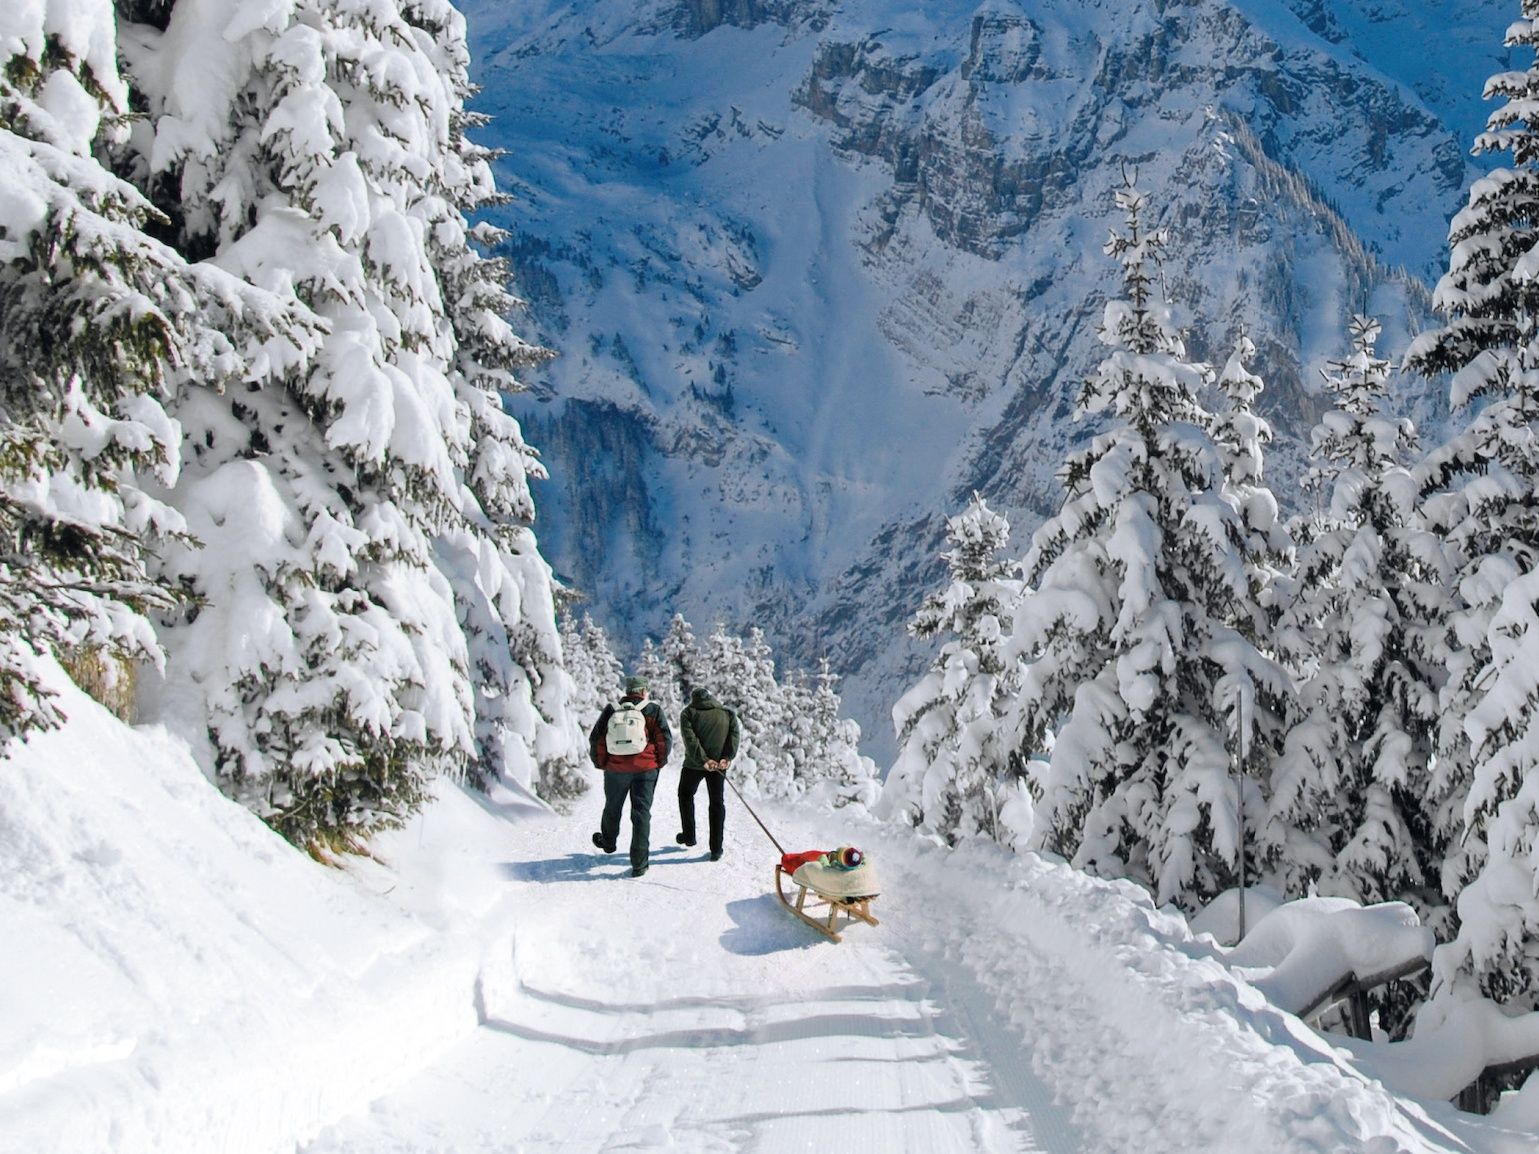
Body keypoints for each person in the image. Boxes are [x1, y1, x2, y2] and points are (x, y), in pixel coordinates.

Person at [589, 675, 672, 877]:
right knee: (641, 813)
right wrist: (657, 763)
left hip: (616, 769)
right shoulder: (653, 710)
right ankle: (639, 864)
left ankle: (608, 843)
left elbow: (597, 739)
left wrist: (602, 763)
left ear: (627, 692)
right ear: (643, 691)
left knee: (612, 806)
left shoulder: (612, 710)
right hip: (645, 770)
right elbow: (664, 740)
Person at [676, 685, 740, 861]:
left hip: (694, 765)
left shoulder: (688, 713)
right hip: (719, 766)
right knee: (717, 803)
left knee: (685, 795)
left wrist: (704, 760)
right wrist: (726, 757)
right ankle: (716, 848)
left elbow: (691, 740)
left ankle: (689, 836)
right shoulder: (727, 713)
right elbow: (734, 736)